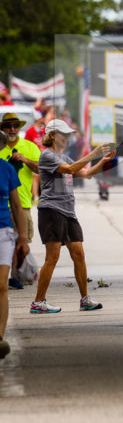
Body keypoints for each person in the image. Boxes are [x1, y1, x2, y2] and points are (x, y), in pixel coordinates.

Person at [30, 119, 115, 314]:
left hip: (68, 212)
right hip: (51, 210)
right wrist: (93, 153)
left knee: (79, 255)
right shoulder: (47, 156)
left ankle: (85, 299)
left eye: (69, 134)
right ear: (52, 136)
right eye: (64, 134)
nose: (67, 138)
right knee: (52, 258)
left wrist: (101, 161)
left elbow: (84, 173)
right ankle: (38, 302)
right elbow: (69, 170)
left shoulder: (64, 157)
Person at [0, 112, 40, 291]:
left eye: (15, 125)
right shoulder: (1, 147)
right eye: (8, 126)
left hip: (22, 202)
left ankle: (15, 274)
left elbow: (42, 168)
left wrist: (25, 160)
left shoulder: (29, 146)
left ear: (20, 127)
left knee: (22, 241)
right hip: (3, 203)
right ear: (3, 129)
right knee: (7, 242)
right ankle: (9, 276)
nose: (12, 129)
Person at [0, 156, 28, 360]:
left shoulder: (7, 169)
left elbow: (17, 206)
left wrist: (23, 238)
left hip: (5, 232)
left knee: (1, 285)